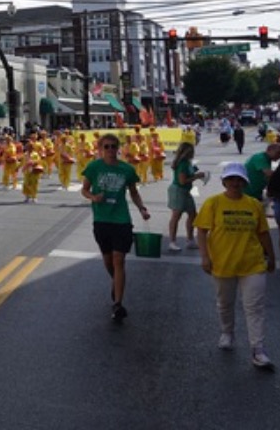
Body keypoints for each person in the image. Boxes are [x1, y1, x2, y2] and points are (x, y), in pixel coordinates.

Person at [194, 162, 275, 368]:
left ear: (245, 182)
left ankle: (258, 349)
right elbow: (201, 231)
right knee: (225, 303)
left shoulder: (253, 204)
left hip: (252, 263)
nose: (235, 183)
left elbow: (263, 233)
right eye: (231, 179)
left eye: (239, 179)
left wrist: (272, 256)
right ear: (224, 181)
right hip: (223, 262)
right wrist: (205, 256)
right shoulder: (213, 203)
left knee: (254, 307)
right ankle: (227, 332)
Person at [81, 133, 151, 322]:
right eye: (107, 147)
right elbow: (84, 189)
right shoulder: (94, 167)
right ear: (100, 149)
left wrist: (142, 208)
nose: (111, 150)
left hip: (122, 220)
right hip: (102, 220)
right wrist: (93, 197)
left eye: (114, 147)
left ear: (118, 149)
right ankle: (116, 282)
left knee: (119, 259)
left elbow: (134, 193)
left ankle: (118, 304)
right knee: (108, 261)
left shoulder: (127, 169)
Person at [167, 142, 206, 252]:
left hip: (186, 191)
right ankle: (172, 241)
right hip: (178, 190)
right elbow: (182, 181)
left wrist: (197, 173)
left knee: (193, 214)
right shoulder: (182, 164)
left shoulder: (188, 163)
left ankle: (190, 239)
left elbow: (191, 173)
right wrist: (197, 176)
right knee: (176, 215)